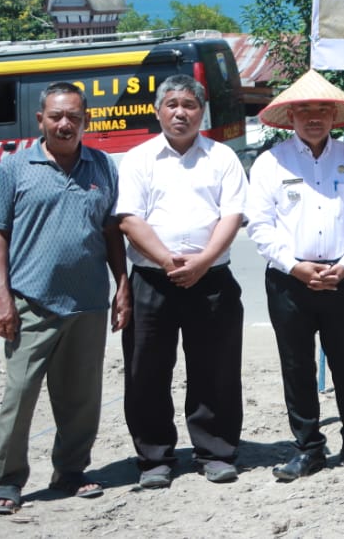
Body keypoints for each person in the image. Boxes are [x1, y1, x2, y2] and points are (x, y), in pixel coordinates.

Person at [0, 82, 129, 514]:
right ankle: (4, 482)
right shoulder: (14, 168)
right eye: (56, 116)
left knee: (81, 399)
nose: (65, 124)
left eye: (74, 117)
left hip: (87, 305)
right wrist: (1, 298)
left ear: (85, 120)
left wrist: (122, 285)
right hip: (31, 302)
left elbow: (111, 232)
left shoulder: (101, 166)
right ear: (41, 119)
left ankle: (71, 472)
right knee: (20, 395)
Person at [245, 70, 344, 481]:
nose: (313, 118)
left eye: (322, 110)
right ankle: (308, 448)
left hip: (342, 276)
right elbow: (260, 225)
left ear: (334, 116)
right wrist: (295, 266)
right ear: (290, 116)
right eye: (304, 110)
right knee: (297, 366)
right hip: (289, 279)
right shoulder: (271, 162)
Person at [115, 75, 248, 488]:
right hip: (153, 281)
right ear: (157, 111)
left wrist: (203, 262)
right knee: (147, 371)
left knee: (216, 369)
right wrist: (166, 260)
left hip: (211, 279)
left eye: (189, 105)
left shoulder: (222, 157)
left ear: (201, 111)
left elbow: (232, 215)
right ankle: (154, 457)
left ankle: (215, 452)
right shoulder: (138, 159)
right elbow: (128, 218)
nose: (180, 112)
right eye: (171, 104)